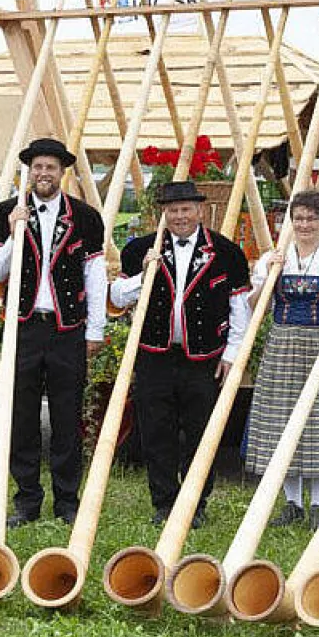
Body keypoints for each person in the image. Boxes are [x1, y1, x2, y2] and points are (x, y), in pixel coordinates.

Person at [0, 138, 108, 526]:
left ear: (62, 172)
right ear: (29, 171)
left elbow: (95, 274)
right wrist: (13, 230)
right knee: (21, 416)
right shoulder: (8, 211)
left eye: (50, 168)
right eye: (37, 167)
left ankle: (67, 501)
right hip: (23, 328)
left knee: (67, 416)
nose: (43, 174)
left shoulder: (85, 217)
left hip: (67, 328)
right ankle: (27, 499)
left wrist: (96, 329)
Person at [112, 178, 251, 526]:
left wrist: (233, 354)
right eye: (173, 210)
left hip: (204, 358)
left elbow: (239, 309)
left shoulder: (226, 252)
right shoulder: (140, 250)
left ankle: (195, 504)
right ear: (164, 214)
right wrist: (144, 274)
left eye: (186, 209)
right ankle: (164, 502)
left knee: (201, 433)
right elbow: (115, 298)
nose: (180, 216)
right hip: (153, 354)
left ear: (200, 211)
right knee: (156, 432)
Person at [240, 189, 319, 527]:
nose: (304, 224)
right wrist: (268, 278)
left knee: (318, 424)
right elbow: (257, 307)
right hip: (282, 345)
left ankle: (317, 504)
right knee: (281, 423)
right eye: (298, 218)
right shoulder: (275, 258)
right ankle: (291, 503)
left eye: (311, 218)